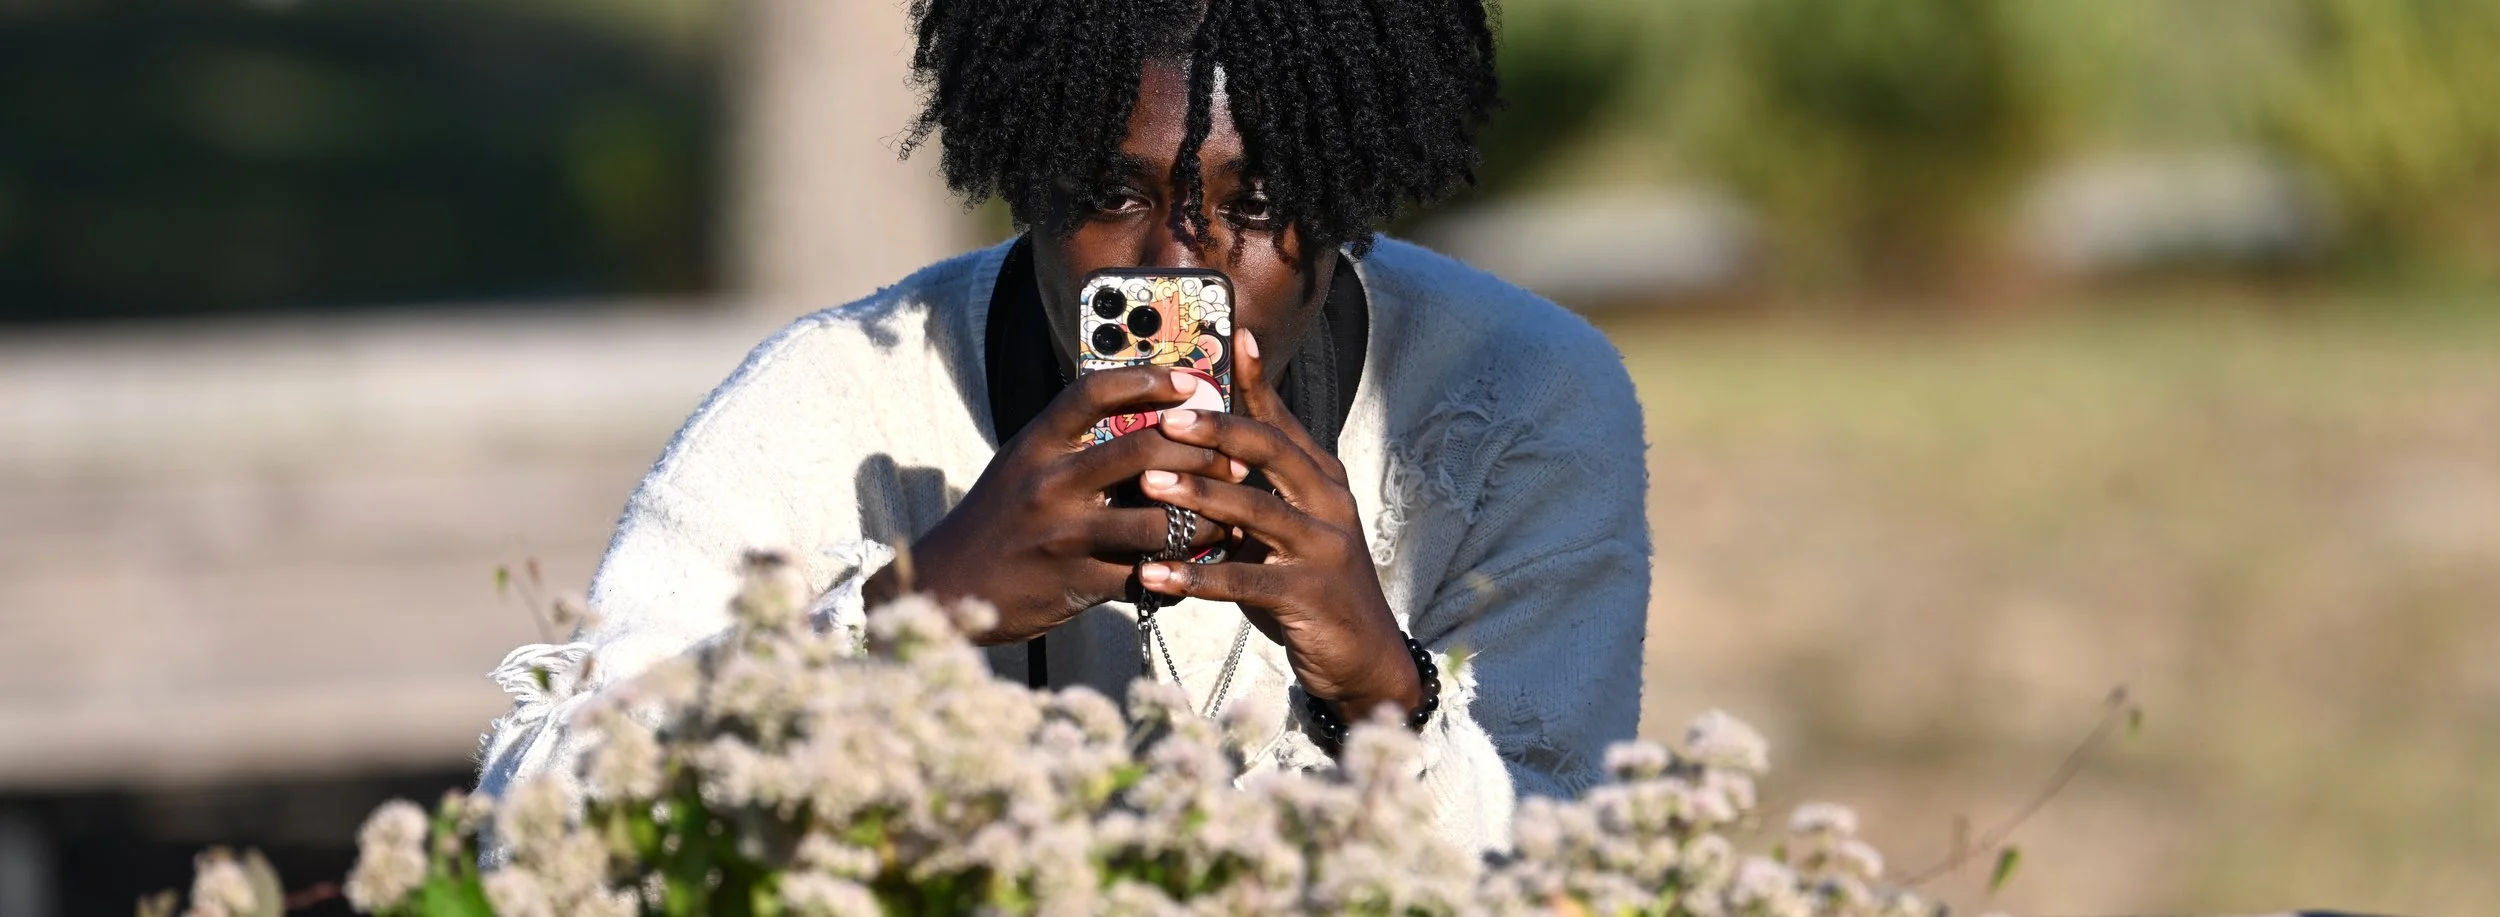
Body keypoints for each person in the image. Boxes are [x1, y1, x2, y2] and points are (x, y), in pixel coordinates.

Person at [476, 0, 1647, 851]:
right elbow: (525, 831)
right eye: (1111, 195)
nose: (1178, 270)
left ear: (1347, 199)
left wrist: (1380, 689)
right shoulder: (839, 393)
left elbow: (1574, 868)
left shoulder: (1520, 397)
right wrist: (904, 611)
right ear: (1025, 167)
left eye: (1260, 206)